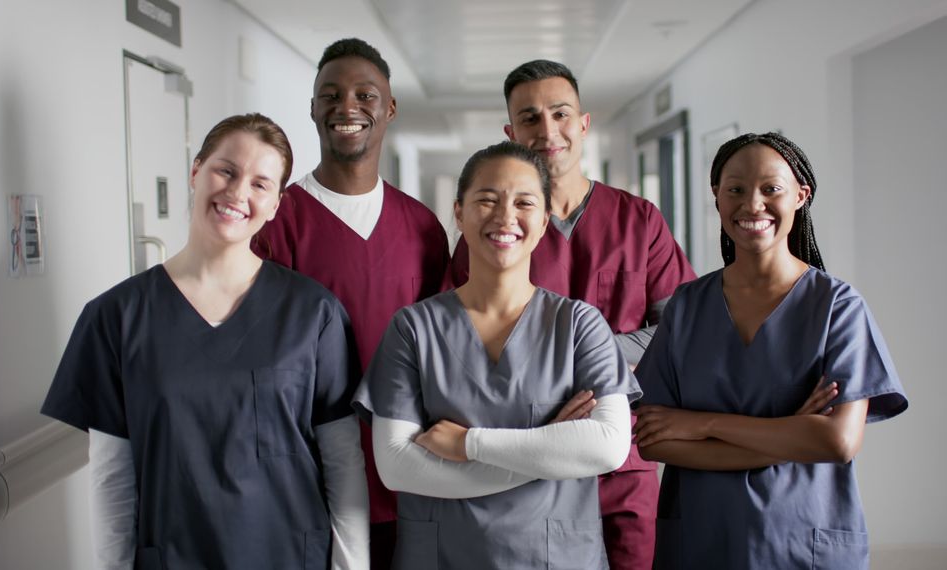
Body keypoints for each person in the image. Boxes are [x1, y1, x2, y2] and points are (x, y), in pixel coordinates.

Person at [41, 113, 368, 569]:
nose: (237, 193)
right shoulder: (117, 316)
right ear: (196, 172)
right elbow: (112, 476)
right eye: (226, 170)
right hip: (174, 555)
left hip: (289, 553)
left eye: (260, 184)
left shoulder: (313, 313)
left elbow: (342, 459)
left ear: (276, 204)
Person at [448, 59, 696, 569]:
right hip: (528, 453)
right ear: (511, 132)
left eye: (560, 114)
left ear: (583, 123)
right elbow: (457, 338)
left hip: (625, 456)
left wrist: (584, 359)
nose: (547, 131)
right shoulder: (496, 230)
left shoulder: (639, 220)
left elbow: (680, 328)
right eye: (530, 119)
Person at [354, 141, 640, 569]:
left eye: (524, 202)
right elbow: (397, 467)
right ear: (459, 213)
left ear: (544, 222)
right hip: (441, 557)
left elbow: (607, 447)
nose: (505, 216)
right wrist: (547, 452)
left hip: (555, 557)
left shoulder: (581, 325)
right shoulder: (413, 329)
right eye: (486, 200)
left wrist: (468, 443)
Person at [632, 132, 909, 569]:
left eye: (771, 189)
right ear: (717, 197)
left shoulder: (836, 306)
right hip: (703, 538)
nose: (752, 205)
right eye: (736, 189)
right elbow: (654, 441)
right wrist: (795, 431)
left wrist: (703, 423)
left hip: (801, 539)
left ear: (801, 195)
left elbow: (837, 441)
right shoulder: (688, 305)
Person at [253, 38, 450, 568]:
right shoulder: (278, 222)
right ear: (313, 109)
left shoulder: (422, 228)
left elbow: (445, 347)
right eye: (331, 95)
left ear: (389, 108)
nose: (347, 106)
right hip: (305, 468)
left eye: (366, 94)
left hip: (405, 464)